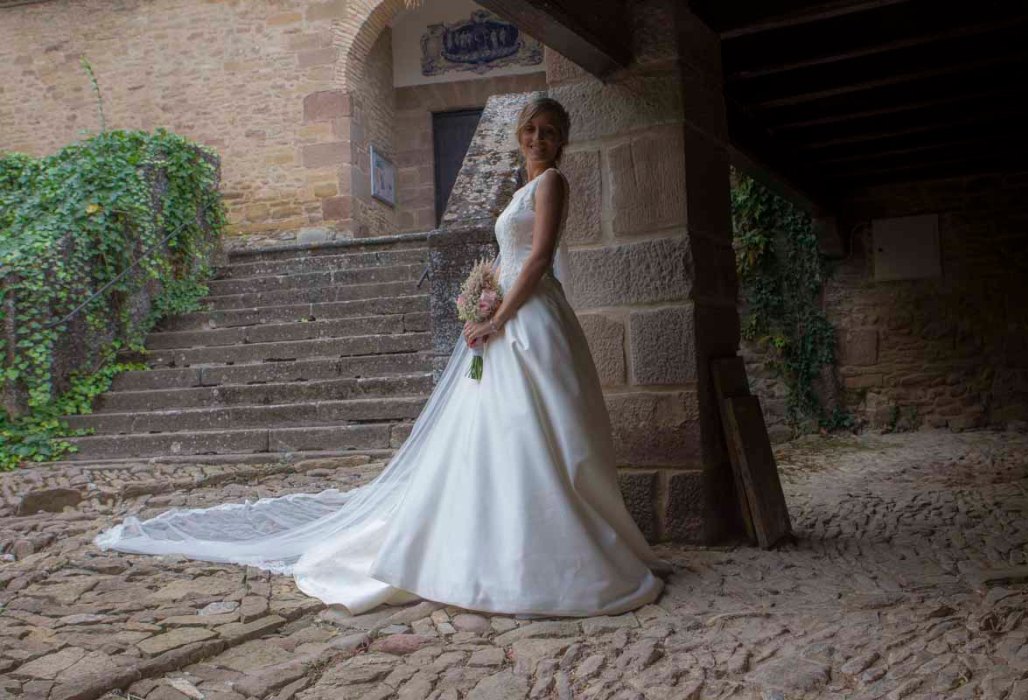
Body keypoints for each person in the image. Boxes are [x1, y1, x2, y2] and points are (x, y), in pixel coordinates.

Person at [94, 96, 671, 617]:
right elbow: (510, 255)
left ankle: (551, 550)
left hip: (532, 321)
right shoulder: (523, 189)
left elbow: (539, 258)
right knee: (495, 432)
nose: (538, 139)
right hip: (506, 314)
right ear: (520, 135)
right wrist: (483, 299)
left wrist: (498, 317)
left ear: (561, 140)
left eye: (548, 131)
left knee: (538, 429)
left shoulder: (552, 183)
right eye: (531, 129)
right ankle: (482, 541)